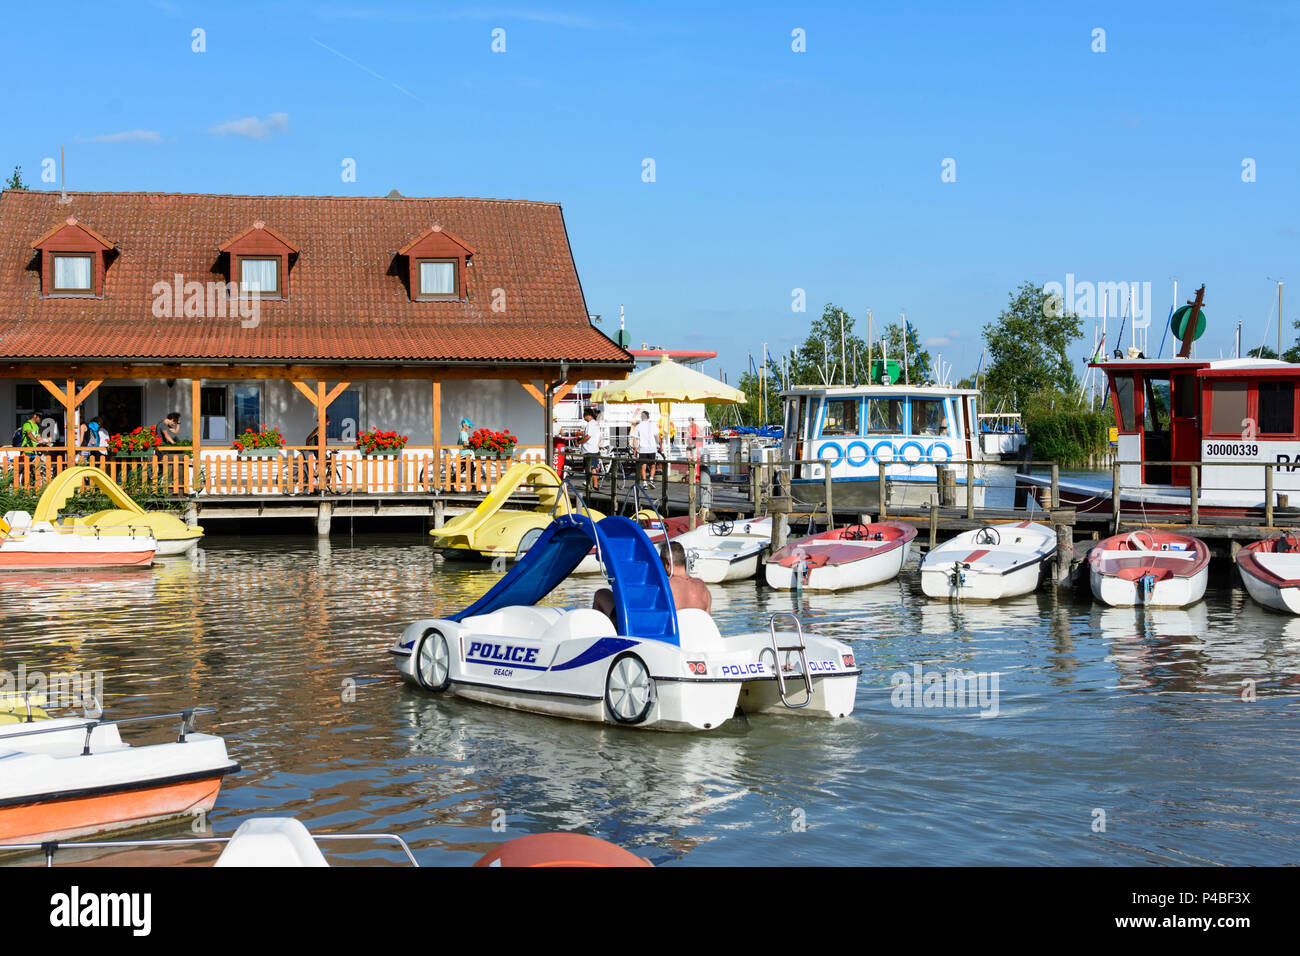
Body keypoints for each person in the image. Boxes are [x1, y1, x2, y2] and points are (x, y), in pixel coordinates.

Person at [592, 539, 711, 624]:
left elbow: (640, 614)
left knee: (601, 594)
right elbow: (707, 623)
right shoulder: (703, 588)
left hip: (666, 641)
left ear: (667, 563)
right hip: (692, 641)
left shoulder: (664, 587)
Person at [631, 410, 658, 487]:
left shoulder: (638, 426)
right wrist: (660, 445)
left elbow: (635, 439)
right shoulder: (653, 425)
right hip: (652, 448)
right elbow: (657, 436)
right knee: (653, 465)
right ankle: (651, 480)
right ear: (648, 417)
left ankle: (644, 483)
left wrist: (635, 449)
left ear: (641, 417)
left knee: (643, 466)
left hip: (643, 449)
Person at [581, 408, 603, 491]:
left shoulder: (590, 424)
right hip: (594, 449)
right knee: (592, 468)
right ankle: (593, 484)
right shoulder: (596, 424)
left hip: (589, 449)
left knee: (591, 468)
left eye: (584, 416)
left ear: (588, 416)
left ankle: (594, 485)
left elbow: (588, 436)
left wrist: (579, 442)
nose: (584, 418)